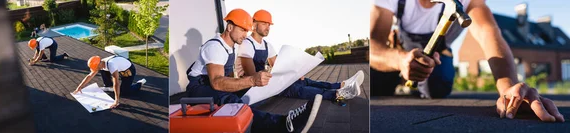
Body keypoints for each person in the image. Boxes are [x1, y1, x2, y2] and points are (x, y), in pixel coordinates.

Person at [370, 0, 564, 122]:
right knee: (376, 83)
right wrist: (401, 60)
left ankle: (437, 62)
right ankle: (401, 78)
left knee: (438, 86)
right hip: (398, 51)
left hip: (436, 53)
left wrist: (509, 89)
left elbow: (490, 34)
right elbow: (374, 46)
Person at [185, 9, 321, 132]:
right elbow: (217, 83)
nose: (245, 35)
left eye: (247, 31)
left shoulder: (231, 46)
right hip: (198, 88)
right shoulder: (215, 47)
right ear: (230, 27)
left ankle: (248, 119)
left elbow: (229, 77)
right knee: (230, 100)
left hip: (211, 84)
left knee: (249, 93)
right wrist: (251, 80)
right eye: (243, 30)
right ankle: (283, 124)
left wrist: (246, 85)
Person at [237, 9, 365, 102]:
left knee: (303, 80)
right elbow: (252, 75)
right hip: (254, 89)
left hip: (266, 82)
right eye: (264, 23)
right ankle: (339, 94)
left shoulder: (267, 45)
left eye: (269, 24)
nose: (268, 27)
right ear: (254, 25)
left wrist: (295, 73)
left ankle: (341, 84)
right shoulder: (247, 45)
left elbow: (278, 66)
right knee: (296, 89)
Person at [73, 55, 147, 108]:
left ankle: (139, 83)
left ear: (99, 64)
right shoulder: (100, 63)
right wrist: (79, 87)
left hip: (128, 71)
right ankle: (108, 86)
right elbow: (90, 76)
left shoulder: (111, 65)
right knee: (103, 71)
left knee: (125, 92)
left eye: (96, 68)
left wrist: (116, 100)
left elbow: (116, 83)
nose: (95, 70)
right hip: (119, 68)